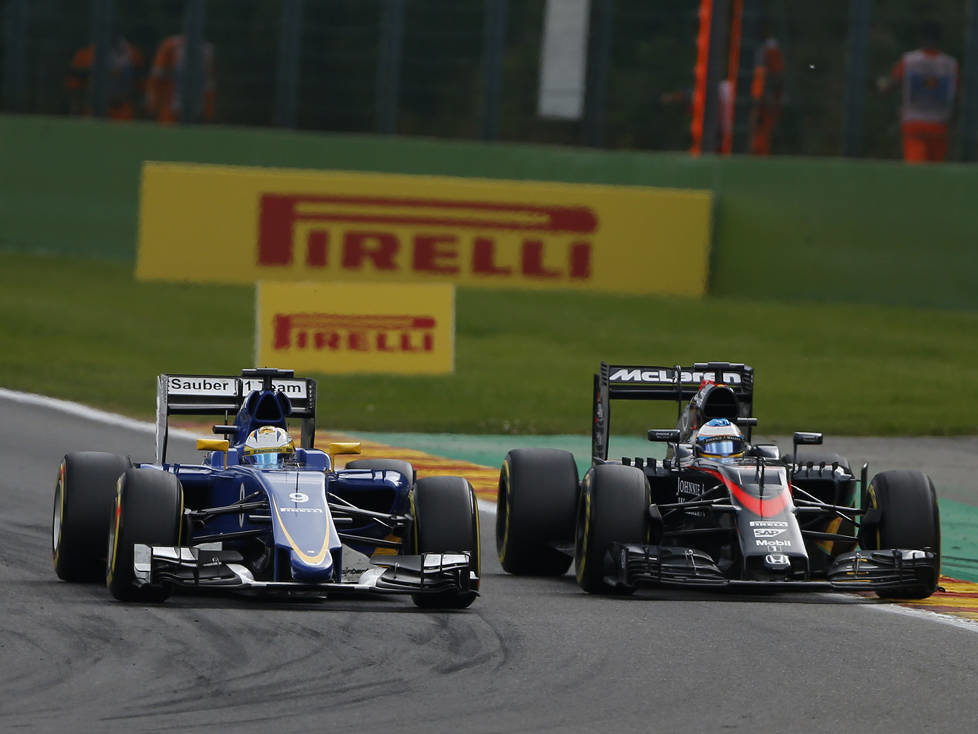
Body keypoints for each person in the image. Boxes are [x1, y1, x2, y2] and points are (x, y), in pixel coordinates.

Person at [877, 22, 958, 163]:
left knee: (916, 167)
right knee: (936, 170)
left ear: (921, 39)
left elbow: (891, 84)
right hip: (939, 124)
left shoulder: (909, 60)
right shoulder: (950, 64)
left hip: (913, 122)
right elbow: (955, 91)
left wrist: (879, 86)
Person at [65, 35, 144, 119]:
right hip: (93, 110)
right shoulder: (85, 54)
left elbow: (140, 88)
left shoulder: (133, 53)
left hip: (124, 111)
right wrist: (76, 109)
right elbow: (74, 88)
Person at [146, 33, 216, 124]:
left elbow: (208, 84)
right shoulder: (170, 46)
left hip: (195, 107)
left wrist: (208, 111)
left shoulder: (207, 49)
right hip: (170, 106)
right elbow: (157, 78)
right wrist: (153, 104)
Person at [748, 31, 785, 156]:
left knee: (764, 131)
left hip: (765, 104)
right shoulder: (761, 70)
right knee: (758, 130)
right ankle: (756, 151)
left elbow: (777, 76)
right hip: (762, 104)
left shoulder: (765, 65)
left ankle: (761, 151)